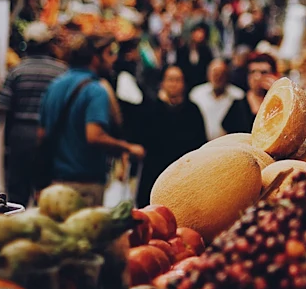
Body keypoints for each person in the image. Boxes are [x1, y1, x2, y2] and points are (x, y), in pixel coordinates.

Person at [38, 34, 145, 206]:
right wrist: (128, 148)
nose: (114, 59)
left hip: (55, 184)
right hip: (85, 186)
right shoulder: (96, 90)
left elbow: (41, 134)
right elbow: (94, 136)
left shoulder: (55, 85)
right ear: (95, 58)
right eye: (109, 53)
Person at [0, 22, 67, 207]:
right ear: (48, 45)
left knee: (16, 194)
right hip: (50, 137)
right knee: (46, 193)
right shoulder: (60, 72)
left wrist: (6, 144)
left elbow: (5, 109)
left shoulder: (16, 71)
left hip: (20, 135)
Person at [131, 66, 207, 206]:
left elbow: (200, 144)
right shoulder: (151, 108)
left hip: (183, 174)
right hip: (153, 172)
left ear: (184, 84)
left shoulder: (193, 110)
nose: (174, 84)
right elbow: (140, 138)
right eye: (170, 80)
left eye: (178, 80)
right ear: (162, 83)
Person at [222, 52, 277, 134]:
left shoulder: (277, 104)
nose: (257, 77)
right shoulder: (237, 105)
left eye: (264, 72)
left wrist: (277, 91)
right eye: (253, 72)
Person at [189, 59, 244, 141]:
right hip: (200, 145)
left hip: (229, 145)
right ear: (208, 74)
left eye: (222, 73)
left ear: (227, 75)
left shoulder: (238, 96)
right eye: (215, 73)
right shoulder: (196, 94)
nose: (218, 77)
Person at [178, 23, 214, 89]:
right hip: (186, 83)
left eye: (202, 33)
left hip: (202, 84)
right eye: (197, 32)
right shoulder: (182, 50)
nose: (200, 36)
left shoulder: (206, 51)